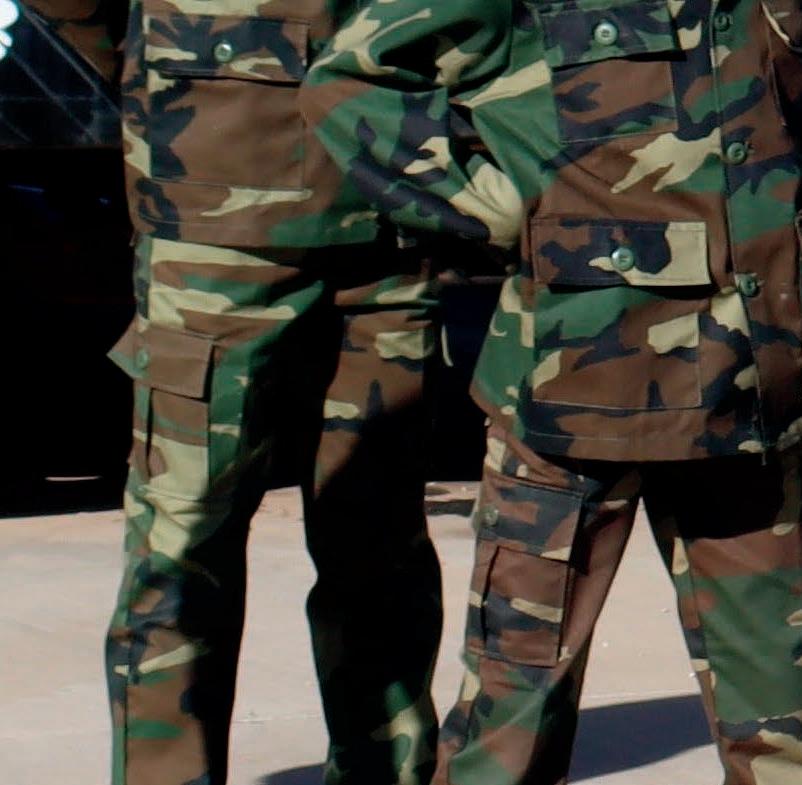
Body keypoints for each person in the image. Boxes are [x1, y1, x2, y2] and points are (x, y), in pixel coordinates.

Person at [299, 2, 802, 783]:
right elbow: (351, 78)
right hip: (571, 392)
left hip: (758, 396)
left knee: (786, 730)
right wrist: (494, 208)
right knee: (508, 737)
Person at [103, 1, 444, 784]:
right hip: (231, 198)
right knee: (186, 538)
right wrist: (159, 63)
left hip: (381, 193)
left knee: (378, 536)